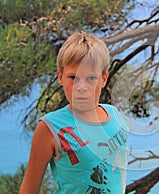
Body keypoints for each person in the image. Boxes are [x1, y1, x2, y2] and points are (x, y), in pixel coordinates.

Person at [20, 32, 130, 194]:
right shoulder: (49, 127)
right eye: (73, 77)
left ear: (104, 79)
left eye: (91, 78)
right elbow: (28, 190)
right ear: (60, 77)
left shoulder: (115, 116)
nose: (81, 87)